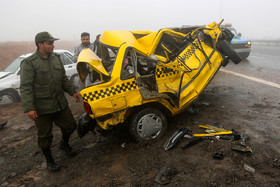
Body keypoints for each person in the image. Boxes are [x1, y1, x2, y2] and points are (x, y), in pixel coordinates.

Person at [20, 31, 80, 172]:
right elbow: (26, 87)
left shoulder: (56, 58)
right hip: (42, 108)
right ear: (40, 44)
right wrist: (29, 107)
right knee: (45, 136)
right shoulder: (30, 63)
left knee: (70, 126)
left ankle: (64, 144)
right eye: (49, 43)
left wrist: (73, 92)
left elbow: (63, 78)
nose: (53, 45)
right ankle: (50, 161)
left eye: (53, 43)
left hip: (59, 103)